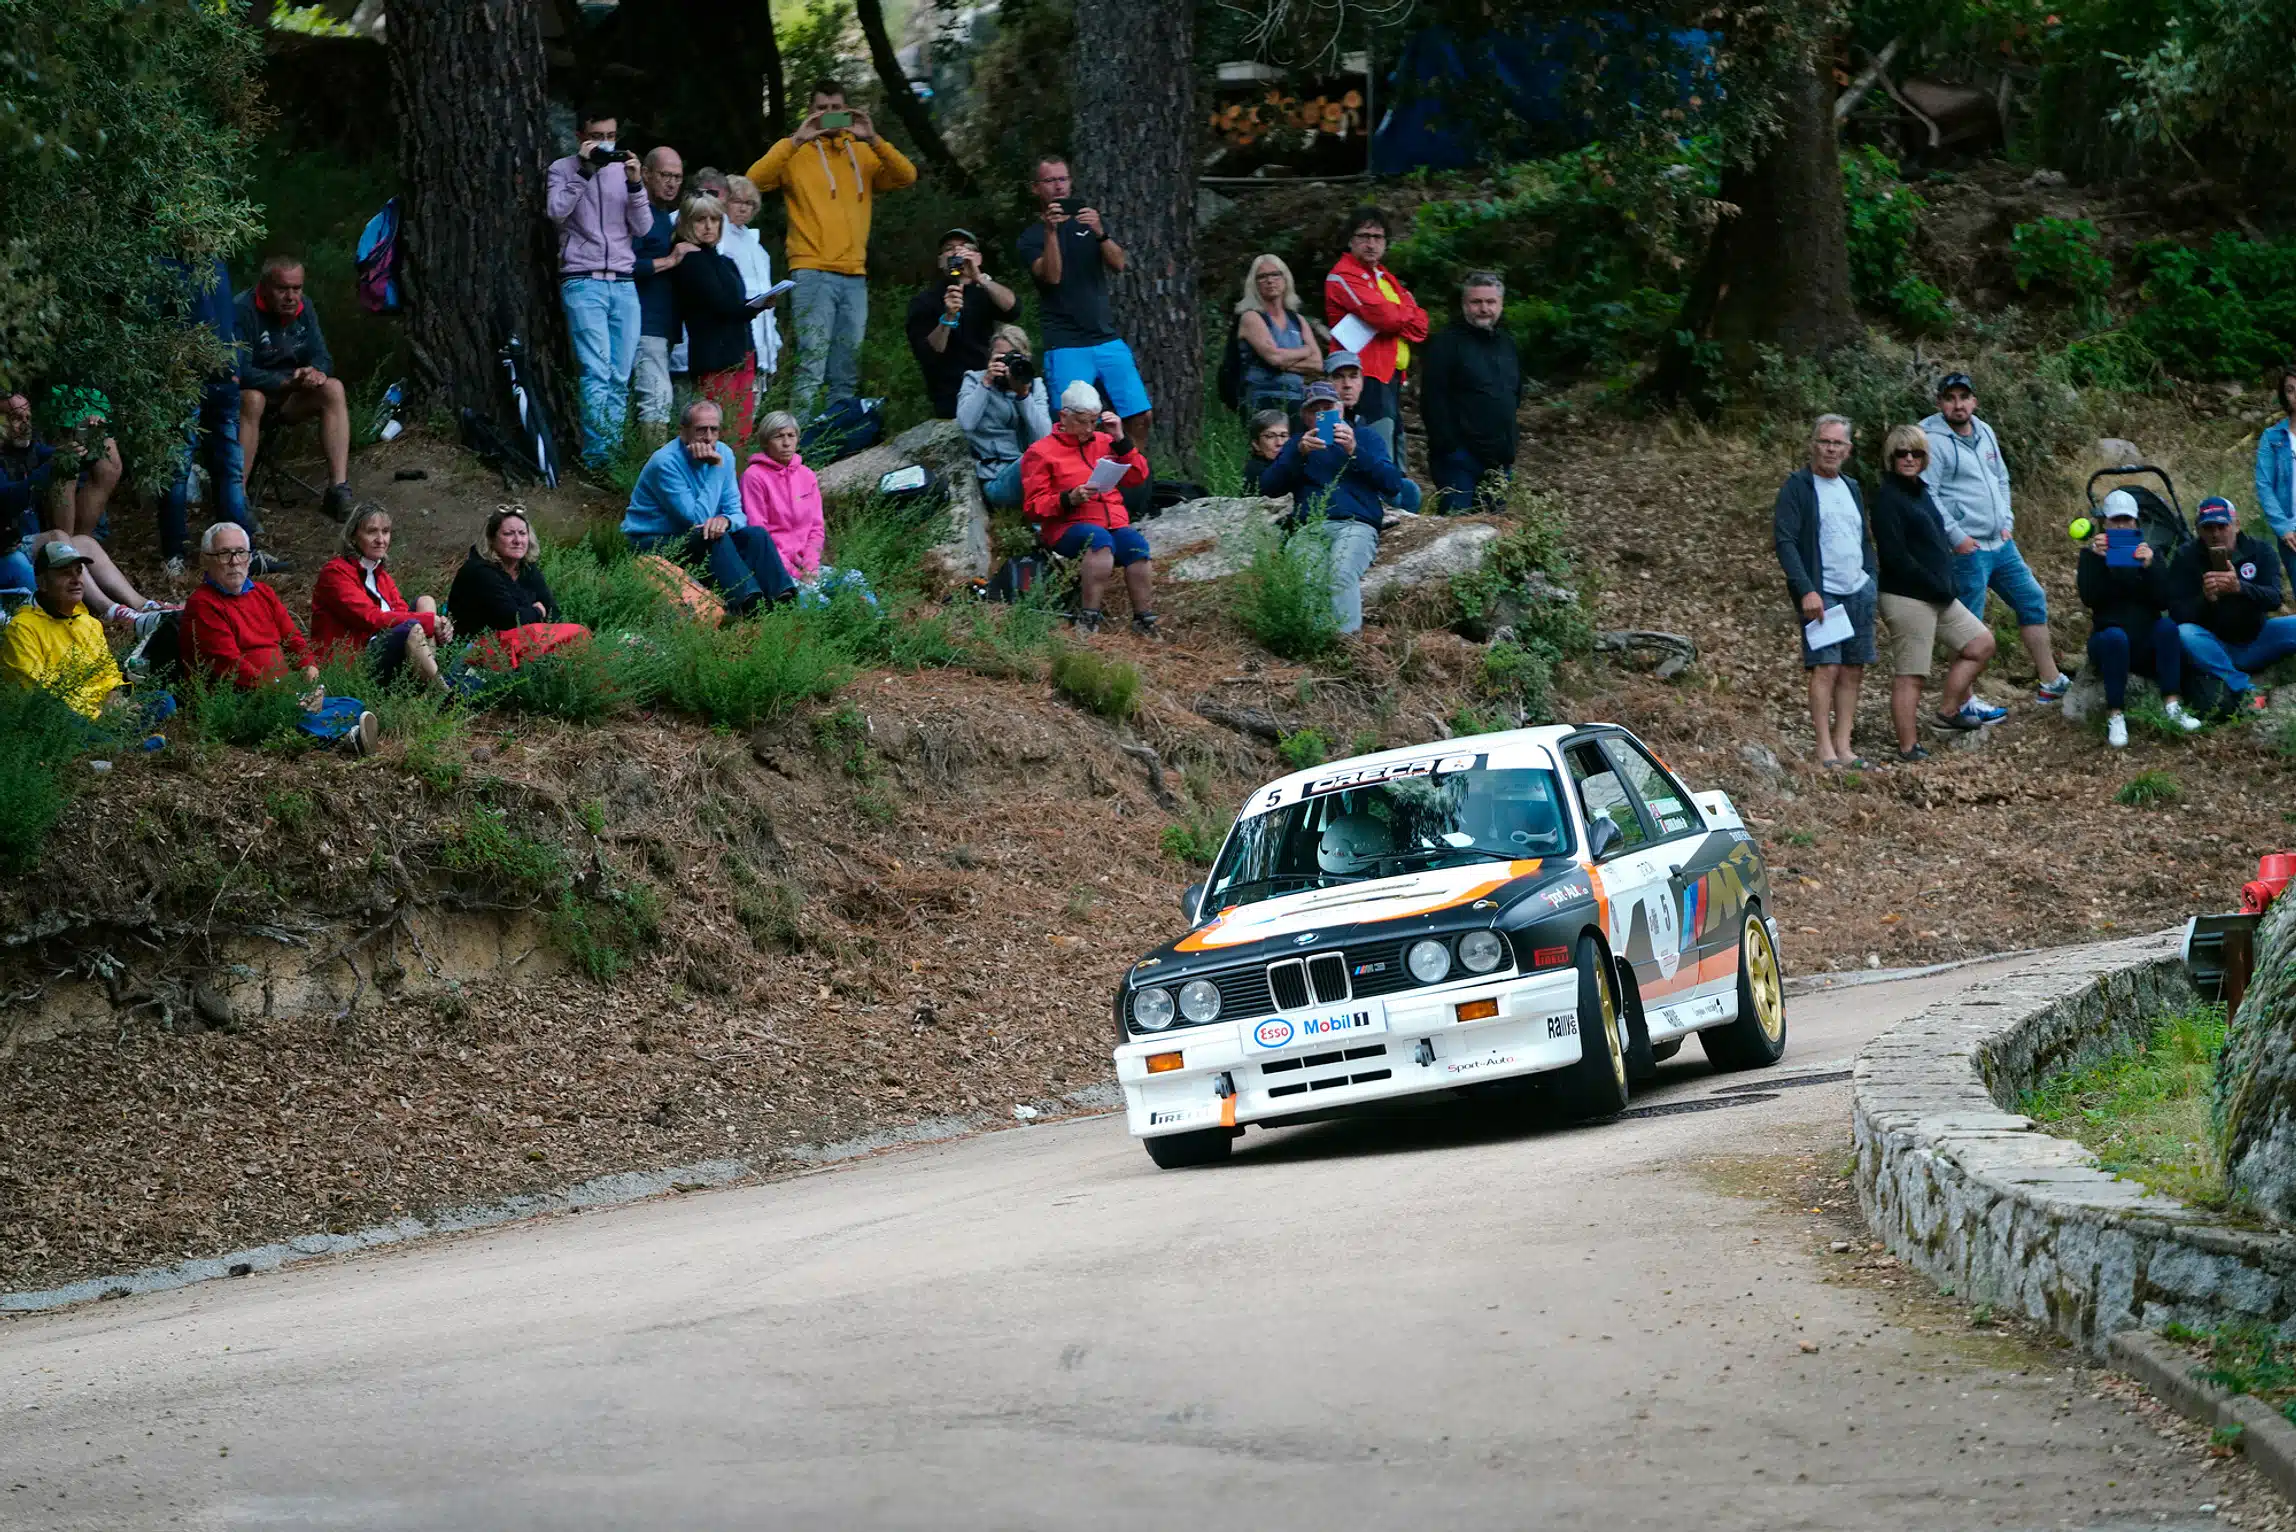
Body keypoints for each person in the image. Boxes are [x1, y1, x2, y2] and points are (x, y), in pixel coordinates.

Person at [744, 81, 918, 422]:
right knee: (811, 363)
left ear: (846, 110)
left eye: (834, 107)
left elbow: (906, 176)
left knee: (847, 367)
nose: (827, 114)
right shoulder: (795, 153)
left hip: (854, 274)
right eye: (820, 108)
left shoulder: (862, 152)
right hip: (811, 271)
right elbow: (753, 180)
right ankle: (797, 448)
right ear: (810, 112)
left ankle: (838, 441)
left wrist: (873, 139)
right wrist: (796, 139)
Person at [1920, 372, 2072, 701]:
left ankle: (2050, 681)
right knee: (1968, 625)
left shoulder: (1984, 429)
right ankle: (1964, 700)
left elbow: (2000, 477)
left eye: (1964, 397)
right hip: (1966, 549)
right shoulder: (1930, 440)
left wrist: (2007, 518)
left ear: (1974, 400)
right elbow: (1927, 495)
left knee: (2031, 599)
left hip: (2001, 543)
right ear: (1940, 403)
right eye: (1950, 398)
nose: (1958, 405)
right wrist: (1955, 536)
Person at [183, 522, 378, 752]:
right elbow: (232, 667)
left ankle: (339, 733)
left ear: (249, 557)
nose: (234, 561)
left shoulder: (263, 593)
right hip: (241, 698)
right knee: (282, 717)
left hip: (280, 693)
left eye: (240, 553)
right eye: (224, 554)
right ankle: (342, 738)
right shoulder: (203, 604)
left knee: (353, 704)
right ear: (207, 560)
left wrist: (309, 669)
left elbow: (293, 639)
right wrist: (287, 694)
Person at [1869, 425, 1999, 761]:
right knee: (1912, 673)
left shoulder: (1922, 491)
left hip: (1938, 594)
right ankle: (1908, 747)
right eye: (1901, 453)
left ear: (1925, 457)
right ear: (1891, 458)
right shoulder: (1887, 498)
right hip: (1907, 597)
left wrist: (1944, 582)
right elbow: (1895, 557)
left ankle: (1948, 711)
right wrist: (1934, 583)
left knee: (1980, 643)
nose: (1909, 458)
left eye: (1916, 453)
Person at [1019, 156, 1151, 458]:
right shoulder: (1031, 237)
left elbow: (1119, 264)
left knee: (1140, 416)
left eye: (1062, 179)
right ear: (1036, 188)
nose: (1058, 186)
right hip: (1065, 342)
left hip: (1105, 337)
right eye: (1050, 181)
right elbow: (1052, 276)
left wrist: (1100, 232)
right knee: (1071, 425)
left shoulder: (1088, 223)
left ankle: (1131, 480)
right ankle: (1083, 486)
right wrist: (1051, 232)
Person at [2, 394, 171, 627]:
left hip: (24, 543)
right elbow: (8, 500)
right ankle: (111, 611)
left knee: (84, 542)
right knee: (59, 537)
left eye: (28, 417)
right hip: (7, 549)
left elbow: (64, 458)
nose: (24, 424)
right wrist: (52, 467)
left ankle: (143, 605)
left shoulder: (28, 450)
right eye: (14, 418)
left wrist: (84, 438)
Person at [546, 109, 653, 469]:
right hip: (583, 279)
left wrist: (637, 183)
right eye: (598, 136)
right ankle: (598, 459)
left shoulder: (623, 171)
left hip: (623, 282)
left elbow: (643, 228)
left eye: (611, 135)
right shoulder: (562, 169)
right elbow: (556, 211)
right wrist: (585, 169)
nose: (606, 143)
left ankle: (615, 455)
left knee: (620, 376)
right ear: (581, 137)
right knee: (596, 372)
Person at [1256, 379, 1402, 637]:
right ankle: (1317, 647)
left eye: (1329, 409)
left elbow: (1392, 484)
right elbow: (1268, 487)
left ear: (1341, 409)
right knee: (1307, 580)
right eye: (1315, 411)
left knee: (1341, 574)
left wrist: (1354, 450)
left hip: (1354, 523)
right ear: (1305, 416)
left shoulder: (1365, 436)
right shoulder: (1297, 444)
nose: (1323, 416)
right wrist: (1297, 454)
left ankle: (1347, 648)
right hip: (1309, 526)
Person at [1773, 414, 1877, 768]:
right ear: (1813, 444)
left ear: (1848, 450)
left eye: (1838, 443)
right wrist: (1805, 589)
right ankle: (1824, 749)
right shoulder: (1798, 486)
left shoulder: (1851, 487)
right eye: (1824, 441)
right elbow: (1785, 541)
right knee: (1826, 667)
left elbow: (1863, 538)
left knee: (1852, 670)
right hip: (1822, 592)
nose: (1830, 449)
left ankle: (1844, 747)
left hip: (1857, 589)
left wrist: (1870, 577)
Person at [157, 251, 270, 575]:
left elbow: (228, 321)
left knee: (230, 469)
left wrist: (234, 368)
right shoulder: (163, 263)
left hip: (223, 384)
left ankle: (239, 548)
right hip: (184, 384)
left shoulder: (217, 263)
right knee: (177, 469)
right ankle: (174, 552)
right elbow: (156, 325)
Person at [623, 400, 795, 613]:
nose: (709, 437)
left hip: (697, 536)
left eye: (714, 430)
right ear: (683, 432)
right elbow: (695, 519)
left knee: (756, 535)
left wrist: (726, 520)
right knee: (712, 536)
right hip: (653, 541)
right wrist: (716, 469)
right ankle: (747, 606)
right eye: (701, 430)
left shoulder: (724, 453)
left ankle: (783, 601)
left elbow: (737, 512)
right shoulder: (666, 463)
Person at [1021, 380, 1155, 634]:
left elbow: (1138, 476)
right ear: (1063, 416)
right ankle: (1088, 618)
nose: (1089, 428)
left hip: (1113, 520)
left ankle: (1144, 619)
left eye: (1094, 421)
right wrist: (1067, 499)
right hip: (1066, 526)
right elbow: (1032, 507)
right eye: (1083, 421)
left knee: (1138, 547)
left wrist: (1120, 438)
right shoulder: (1041, 452)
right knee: (1099, 542)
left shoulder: (1105, 441)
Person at [2078, 490, 2204, 748]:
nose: (2122, 526)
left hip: (2143, 639)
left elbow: (2163, 601)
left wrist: (2151, 568)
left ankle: (2173, 704)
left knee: (2167, 627)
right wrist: (2101, 562)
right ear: (2106, 523)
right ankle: (2116, 715)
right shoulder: (2091, 556)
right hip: (2109, 638)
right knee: (2115, 638)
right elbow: (2091, 598)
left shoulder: (2149, 554)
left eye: (2127, 520)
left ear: (2136, 523)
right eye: (2116, 521)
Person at [235, 256, 353, 519]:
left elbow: (323, 356)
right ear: (264, 287)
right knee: (253, 399)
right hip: (249, 401)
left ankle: (338, 490)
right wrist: (285, 381)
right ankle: (237, 498)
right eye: (282, 289)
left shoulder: (304, 308)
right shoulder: (242, 310)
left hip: (290, 398)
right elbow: (237, 370)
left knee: (333, 388)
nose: (291, 297)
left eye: (297, 288)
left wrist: (315, 373)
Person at [2169, 496, 2296, 712]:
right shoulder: (2185, 557)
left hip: (2258, 637)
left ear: (2236, 525)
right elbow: (2176, 612)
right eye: (2208, 527)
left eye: (2222, 526)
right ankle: (2244, 687)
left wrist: (2240, 588)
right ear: (2198, 530)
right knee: (2184, 633)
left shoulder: (2260, 550)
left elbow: (2275, 598)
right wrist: (2206, 600)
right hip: (2213, 645)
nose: (2216, 534)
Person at [666, 194, 773, 443]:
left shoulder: (726, 261)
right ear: (686, 224)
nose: (708, 226)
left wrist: (756, 304)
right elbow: (722, 306)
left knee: (742, 431)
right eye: (700, 219)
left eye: (714, 219)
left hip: (742, 351)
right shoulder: (690, 261)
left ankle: (736, 481)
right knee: (718, 433)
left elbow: (735, 304)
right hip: (714, 358)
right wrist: (757, 306)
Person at [311, 504, 451, 693]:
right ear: (353, 536)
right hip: (354, 660)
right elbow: (371, 618)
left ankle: (424, 684)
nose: (380, 540)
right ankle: (442, 693)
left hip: (381, 647)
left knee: (425, 602)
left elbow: (401, 612)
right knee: (415, 626)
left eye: (385, 532)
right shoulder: (335, 573)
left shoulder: (380, 575)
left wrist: (439, 627)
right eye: (372, 532)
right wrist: (428, 622)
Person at [1323, 207, 1428, 456]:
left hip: (1389, 376)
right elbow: (1386, 318)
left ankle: (1392, 493)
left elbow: (1422, 326)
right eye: (1364, 236)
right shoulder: (1342, 275)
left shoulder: (1384, 277)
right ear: (1350, 240)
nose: (1371, 243)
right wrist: (1405, 312)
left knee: (1391, 451)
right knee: (1372, 449)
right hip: (1361, 375)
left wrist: (1399, 315)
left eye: (1378, 237)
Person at [1415, 272, 1522, 515]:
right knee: (1454, 532)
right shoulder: (1446, 344)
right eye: (1476, 302)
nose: (1484, 309)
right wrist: (1450, 446)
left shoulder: (1506, 343)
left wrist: (1510, 444)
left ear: (1501, 304)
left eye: (1490, 302)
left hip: (1499, 458)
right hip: (1459, 460)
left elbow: (1515, 393)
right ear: (1465, 304)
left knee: (1493, 534)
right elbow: (1432, 400)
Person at [0, 542, 128, 720]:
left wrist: (113, 696)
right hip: (62, 716)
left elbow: (108, 673)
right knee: (59, 716)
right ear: (43, 582)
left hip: (98, 710)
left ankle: (120, 732)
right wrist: (98, 715)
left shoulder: (89, 623)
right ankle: (121, 737)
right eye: (65, 573)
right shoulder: (21, 629)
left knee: (164, 700)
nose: (76, 580)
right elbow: (37, 692)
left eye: (78, 571)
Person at [906, 228, 1019, 420]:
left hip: (992, 382)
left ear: (979, 258)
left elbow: (1013, 310)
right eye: (949, 249)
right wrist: (948, 317)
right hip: (952, 393)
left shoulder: (985, 292)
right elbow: (928, 352)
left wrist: (980, 278)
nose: (957, 253)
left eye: (966, 248)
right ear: (940, 261)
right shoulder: (924, 301)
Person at [955, 324, 1051, 509]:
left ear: (1026, 359)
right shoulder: (974, 380)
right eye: (1001, 358)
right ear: (991, 357)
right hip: (997, 477)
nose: (1007, 365)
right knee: (1035, 459)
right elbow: (965, 423)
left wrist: (1023, 396)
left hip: (1034, 470)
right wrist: (987, 383)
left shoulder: (1035, 386)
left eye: (1013, 358)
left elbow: (1044, 437)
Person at [629, 146, 688, 444]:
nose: (672, 183)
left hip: (665, 326)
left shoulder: (666, 217)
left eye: (677, 177)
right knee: (656, 397)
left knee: (661, 397)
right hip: (643, 321)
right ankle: (652, 470)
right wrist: (669, 261)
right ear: (647, 174)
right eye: (665, 175)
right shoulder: (636, 212)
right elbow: (622, 265)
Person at [1234, 254, 1326, 416]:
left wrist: (1282, 363)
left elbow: (1317, 363)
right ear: (1254, 284)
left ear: (1285, 279)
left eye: (1275, 274)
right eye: (1262, 277)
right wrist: (1305, 351)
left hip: (1298, 397)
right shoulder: (1251, 317)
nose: (1270, 281)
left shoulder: (1297, 319)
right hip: (1263, 398)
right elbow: (1275, 358)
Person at [739, 411, 825, 584]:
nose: (786, 443)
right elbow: (760, 536)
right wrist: (797, 575)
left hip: (807, 567)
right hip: (775, 566)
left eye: (791, 436)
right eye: (778, 437)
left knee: (853, 580)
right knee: (816, 601)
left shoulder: (807, 475)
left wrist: (810, 568)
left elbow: (816, 528)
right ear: (765, 442)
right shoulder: (753, 477)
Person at [447, 506, 563, 634]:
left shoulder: (527, 568)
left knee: (576, 633)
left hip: (521, 641)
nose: (518, 540)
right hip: (476, 646)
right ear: (491, 539)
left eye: (522, 533)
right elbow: (510, 621)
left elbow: (553, 612)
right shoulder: (479, 571)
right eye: (508, 534)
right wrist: (538, 612)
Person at [718, 175, 783, 383]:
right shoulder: (718, 237)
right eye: (737, 201)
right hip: (732, 332)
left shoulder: (757, 247)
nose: (743, 208)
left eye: (749, 203)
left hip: (760, 334)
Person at [2256, 361, 2296, 596]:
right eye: (2290, 390)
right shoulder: (2272, 438)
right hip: (2292, 532)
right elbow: (2264, 485)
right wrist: (2283, 528)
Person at [1242, 408, 1290, 496]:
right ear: (1256, 444)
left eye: (1284, 436)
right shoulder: (1254, 471)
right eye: (1270, 436)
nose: (1279, 443)